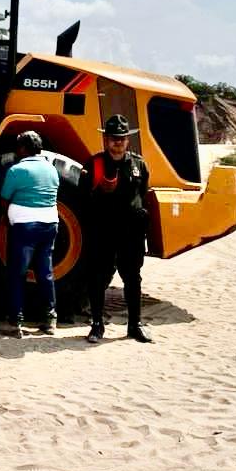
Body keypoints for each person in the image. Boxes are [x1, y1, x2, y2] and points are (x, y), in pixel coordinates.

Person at [84, 115, 153, 344]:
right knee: (98, 278)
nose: (118, 142)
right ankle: (97, 325)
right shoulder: (94, 164)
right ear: (106, 139)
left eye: (122, 138)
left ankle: (135, 325)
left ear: (128, 140)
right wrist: (101, 191)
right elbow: (82, 198)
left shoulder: (139, 164)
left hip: (130, 233)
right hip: (103, 231)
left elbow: (141, 193)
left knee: (133, 278)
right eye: (114, 138)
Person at [0, 130, 59, 338]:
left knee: (17, 273)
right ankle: (50, 319)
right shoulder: (51, 169)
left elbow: (5, 198)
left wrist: (8, 218)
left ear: (23, 148)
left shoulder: (17, 170)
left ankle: (15, 322)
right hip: (50, 224)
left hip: (25, 226)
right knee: (45, 272)